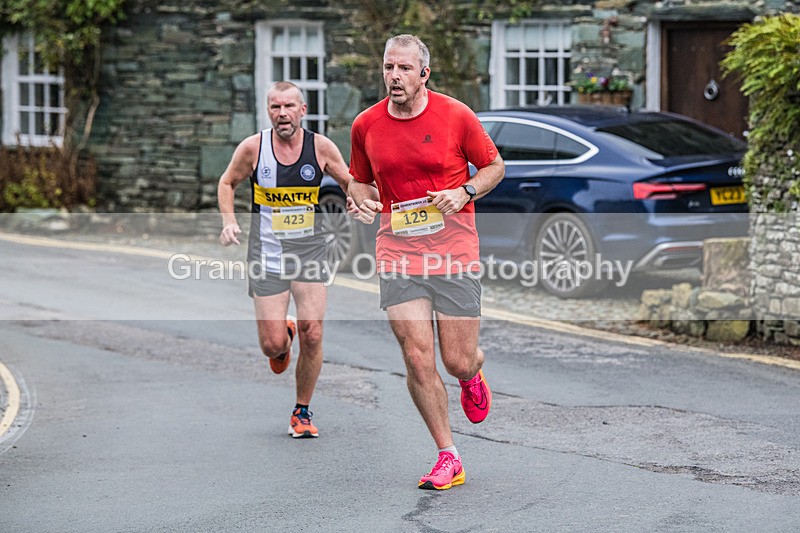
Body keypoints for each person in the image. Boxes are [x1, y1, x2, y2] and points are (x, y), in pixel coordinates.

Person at [348, 35, 505, 489]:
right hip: (397, 250)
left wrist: (465, 191)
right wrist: (360, 202)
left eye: (403, 69)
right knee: (418, 359)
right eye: (387, 67)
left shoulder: (456, 116)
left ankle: (472, 372)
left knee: (455, 359)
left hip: (454, 250)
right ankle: (448, 455)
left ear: (423, 74)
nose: (393, 76)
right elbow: (359, 183)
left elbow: (495, 167)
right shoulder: (366, 125)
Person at [218, 81, 353, 438]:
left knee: (314, 333)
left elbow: (349, 180)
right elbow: (227, 182)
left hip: (309, 253)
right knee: (273, 346)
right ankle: (283, 335)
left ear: (302, 110)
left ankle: (302, 411)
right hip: (267, 254)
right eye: (275, 107)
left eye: (289, 107)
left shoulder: (320, 147)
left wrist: (357, 198)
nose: (283, 114)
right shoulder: (253, 148)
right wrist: (229, 221)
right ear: (268, 112)